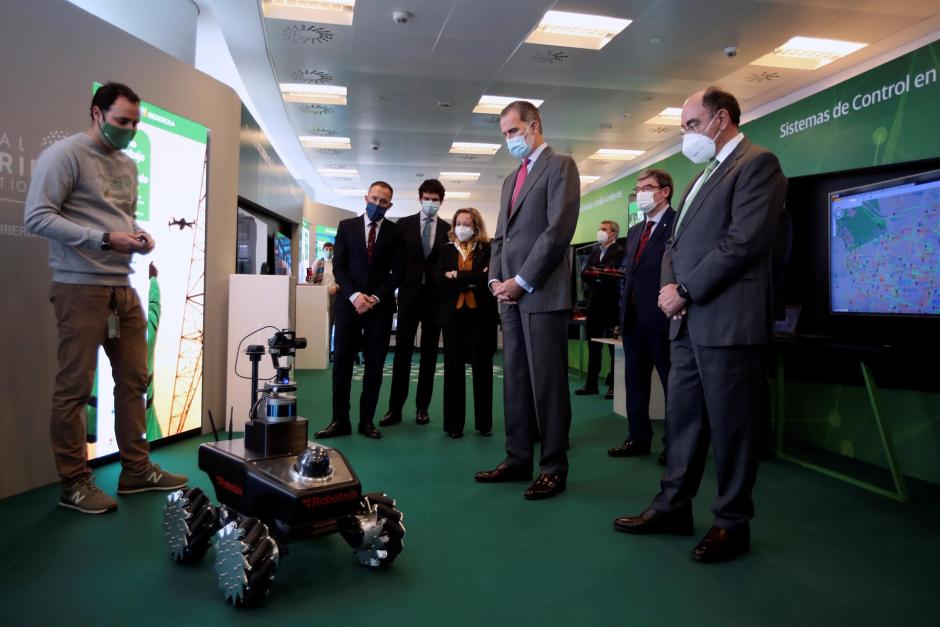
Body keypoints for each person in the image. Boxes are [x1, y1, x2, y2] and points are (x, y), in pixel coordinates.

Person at [613, 87, 787, 564]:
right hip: (687, 322)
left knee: (733, 428)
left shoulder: (757, 163)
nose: (686, 135)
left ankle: (732, 523)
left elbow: (743, 242)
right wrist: (673, 295)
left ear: (721, 119)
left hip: (728, 322)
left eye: (691, 124)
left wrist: (685, 291)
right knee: (683, 420)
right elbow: (675, 245)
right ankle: (672, 507)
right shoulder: (702, 175)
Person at [24, 82, 187, 514]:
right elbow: (37, 217)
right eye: (122, 121)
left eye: (135, 123)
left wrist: (138, 237)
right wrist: (102, 239)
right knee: (73, 390)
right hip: (79, 286)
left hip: (123, 287)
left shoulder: (129, 166)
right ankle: (74, 482)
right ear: (97, 113)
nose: (130, 130)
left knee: (135, 381)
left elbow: (123, 219)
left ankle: (136, 470)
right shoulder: (65, 155)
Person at [475, 100, 579, 500]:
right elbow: (500, 237)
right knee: (515, 382)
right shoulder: (509, 180)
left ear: (533, 127)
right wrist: (497, 280)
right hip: (509, 297)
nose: (509, 139)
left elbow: (557, 231)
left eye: (512, 131)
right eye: (504, 134)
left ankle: (553, 466)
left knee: (547, 384)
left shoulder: (561, 166)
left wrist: (521, 280)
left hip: (542, 293)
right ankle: (517, 458)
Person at [316, 181, 403, 440]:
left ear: (390, 205)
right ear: (366, 197)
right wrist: (354, 296)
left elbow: (397, 272)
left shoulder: (395, 233)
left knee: (374, 366)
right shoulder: (346, 227)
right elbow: (339, 266)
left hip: (380, 308)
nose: (377, 205)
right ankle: (340, 420)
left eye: (383, 202)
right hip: (348, 305)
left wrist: (374, 298)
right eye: (374, 199)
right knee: (342, 363)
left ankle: (367, 421)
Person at [608, 170, 676, 465]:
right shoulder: (635, 230)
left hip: (664, 320)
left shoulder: (677, 225)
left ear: (665, 192)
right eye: (638, 189)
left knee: (673, 386)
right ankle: (637, 437)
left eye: (648, 188)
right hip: (634, 321)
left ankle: (674, 445)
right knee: (635, 383)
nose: (641, 194)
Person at [380, 179, 451, 428]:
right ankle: (395, 408)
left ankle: (422, 408)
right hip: (409, 296)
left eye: (436, 199)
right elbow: (395, 260)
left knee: (430, 354)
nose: (431, 203)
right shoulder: (404, 225)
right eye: (427, 198)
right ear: (420, 197)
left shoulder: (447, 229)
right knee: (402, 353)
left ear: (441, 201)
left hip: (435, 298)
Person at [435, 208, 498, 438]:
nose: (462, 227)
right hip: (452, 317)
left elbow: (487, 278)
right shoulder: (445, 250)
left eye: (466, 223)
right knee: (453, 370)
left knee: (483, 368)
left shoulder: (488, 248)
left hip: (481, 316)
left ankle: (484, 424)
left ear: (476, 227)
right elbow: (438, 279)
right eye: (458, 223)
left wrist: (457, 276)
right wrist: (471, 278)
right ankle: (454, 425)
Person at [575, 220, 623, 399]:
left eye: (604, 229)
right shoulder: (595, 251)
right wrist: (596, 275)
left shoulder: (618, 251)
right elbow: (585, 273)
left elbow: (610, 275)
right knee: (592, 346)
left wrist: (595, 274)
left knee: (613, 348)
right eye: (600, 228)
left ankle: (614, 386)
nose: (600, 232)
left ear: (613, 234)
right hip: (593, 305)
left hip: (611, 306)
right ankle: (591, 384)